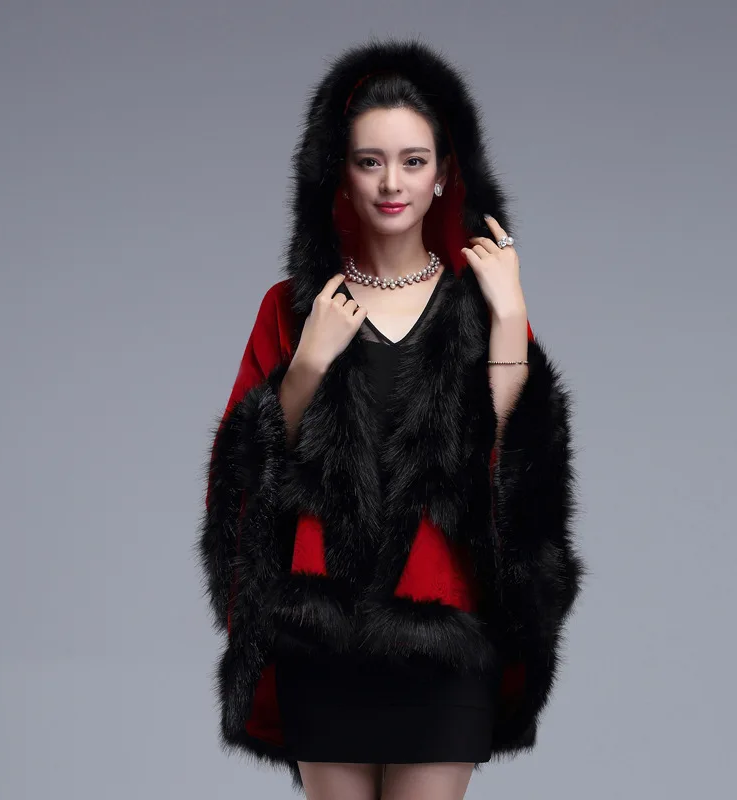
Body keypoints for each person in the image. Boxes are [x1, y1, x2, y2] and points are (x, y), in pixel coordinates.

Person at [197, 36, 586, 800]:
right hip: (320, 635)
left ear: (443, 174)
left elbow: (524, 475)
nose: (391, 182)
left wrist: (511, 319)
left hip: (447, 636)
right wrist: (309, 363)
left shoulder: (485, 307)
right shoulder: (291, 308)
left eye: (413, 161)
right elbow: (241, 483)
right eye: (369, 161)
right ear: (339, 174)